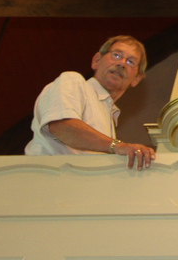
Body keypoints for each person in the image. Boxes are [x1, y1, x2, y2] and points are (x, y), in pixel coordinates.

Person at [25, 35, 156, 170]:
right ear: (96, 60)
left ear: (136, 79)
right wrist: (118, 146)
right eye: (116, 55)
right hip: (48, 177)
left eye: (131, 62)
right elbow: (62, 127)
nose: (121, 63)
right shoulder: (73, 81)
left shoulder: (109, 114)